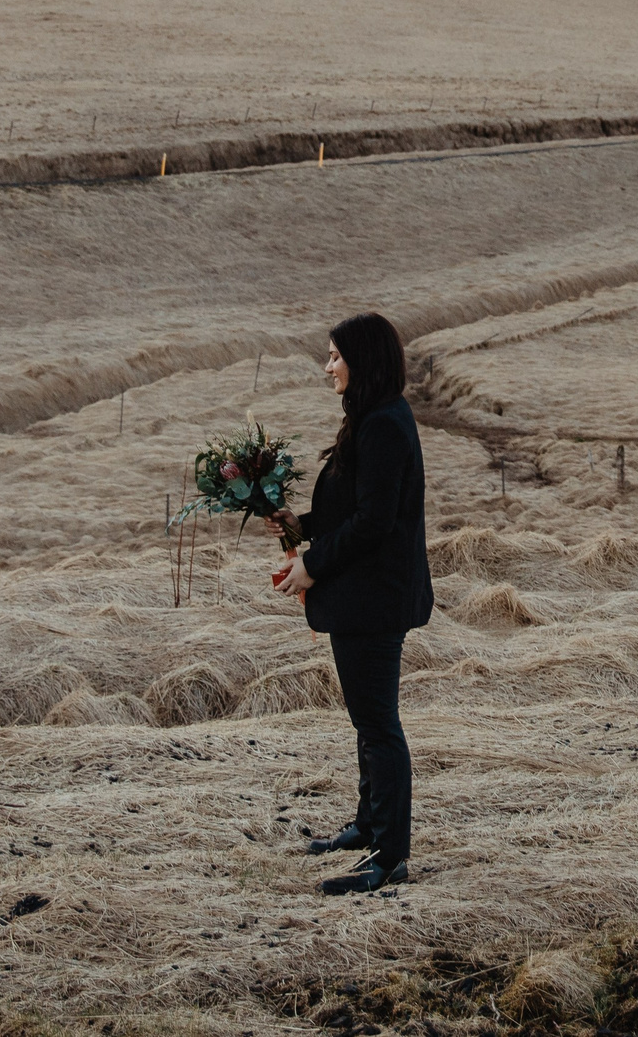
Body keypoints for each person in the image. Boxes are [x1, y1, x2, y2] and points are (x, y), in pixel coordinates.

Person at [275, 312, 434, 893]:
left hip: (376, 599)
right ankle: (370, 827)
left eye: (337, 357)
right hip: (367, 596)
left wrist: (312, 565)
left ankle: (391, 855)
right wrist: (303, 523)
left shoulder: (384, 425)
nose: (328, 367)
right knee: (367, 721)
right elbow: (357, 510)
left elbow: (374, 524)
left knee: (378, 724)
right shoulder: (374, 417)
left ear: (362, 361)